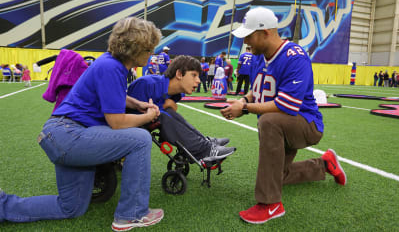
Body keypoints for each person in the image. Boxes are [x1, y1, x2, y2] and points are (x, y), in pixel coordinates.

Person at [0, 17, 164, 231]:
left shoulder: (109, 63)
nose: (152, 54)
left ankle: (3, 206)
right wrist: (148, 117)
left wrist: (137, 103)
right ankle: (132, 214)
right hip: (69, 135)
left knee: (71, 207)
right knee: (140, 139)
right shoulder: (111, 67)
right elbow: (116, 122)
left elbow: (110, 94)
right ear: (135, 49)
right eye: (149, 49)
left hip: (62, 135)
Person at [220, 7, 347, 224]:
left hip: (306, 124)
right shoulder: (259, 56)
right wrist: (244, 101)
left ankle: (270, 205)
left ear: (266, 32)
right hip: (284, 125)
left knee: (269, 122)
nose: (246, 42)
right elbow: (257, 91)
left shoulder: (294, 57)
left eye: (249, 36)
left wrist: (245, 109)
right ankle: (325, 165)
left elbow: (285, 105)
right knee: (276, 176)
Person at [127, 55, 236, 162]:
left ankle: (204, 142)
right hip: (127, 127)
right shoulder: (146, 84)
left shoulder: (176, 93)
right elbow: (128, 112)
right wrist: (163, 106)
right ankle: (204, 149)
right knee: (163, 115)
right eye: (194, 75)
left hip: (146, 122)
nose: (198, 81)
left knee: (167, 113)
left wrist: (166, 105)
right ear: (179, 74)